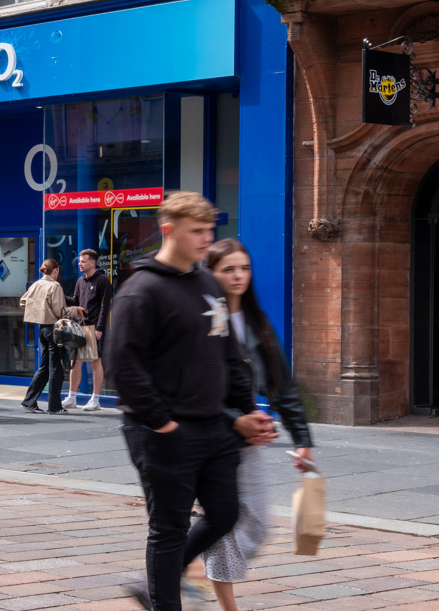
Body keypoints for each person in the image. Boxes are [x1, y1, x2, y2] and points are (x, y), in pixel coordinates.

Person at [106, 191, 276, 611]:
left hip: (213, 425)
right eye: (196, 231)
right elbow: (122, 366)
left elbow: (228, 354)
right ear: (169, 231)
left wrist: (248, 409)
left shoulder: (207, 285)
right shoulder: (140, 290)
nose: (205, 239)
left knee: (225, 514)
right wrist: (163, 424)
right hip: (161, 430)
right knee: (168, 528)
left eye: (209, 230)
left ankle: (152, 586)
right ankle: (164, 602)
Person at [202, 240, 317, 609]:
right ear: (211, 273)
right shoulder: (209, 319)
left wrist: (303, 440)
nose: (238, 276)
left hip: (248, 436)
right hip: (209, 435)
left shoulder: (255, 321)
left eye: (244, 268)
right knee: (224, 522)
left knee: (256, 527)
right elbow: (197, 388)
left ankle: (182, 564)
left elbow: (282, 384)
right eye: (228, 269)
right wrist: (237, 420)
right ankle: (224, 603)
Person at [20, 257, 72, 413]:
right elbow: (60, 312)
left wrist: (38, 312)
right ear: (55, 270)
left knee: (44, 367)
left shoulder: (36, 284)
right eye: (58, 271)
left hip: (42, 329)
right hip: (54, 329)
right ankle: (54, 406)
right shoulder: (55, 286)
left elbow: (23, 302)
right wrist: (75, 311)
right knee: (55, 368)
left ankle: (29, 401)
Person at [74, 248, 113, 408]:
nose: (79, 264)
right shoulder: (80, 281)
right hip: (79, 326)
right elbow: (75, 301)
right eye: (79, 261)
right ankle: (71, 396)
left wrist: (99, 328)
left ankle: (95, 399)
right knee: (75, 361)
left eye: (83, 261)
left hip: (93, 326)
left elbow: (105, 306)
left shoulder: (103, 280)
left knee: (95, 362)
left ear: (92, 263)